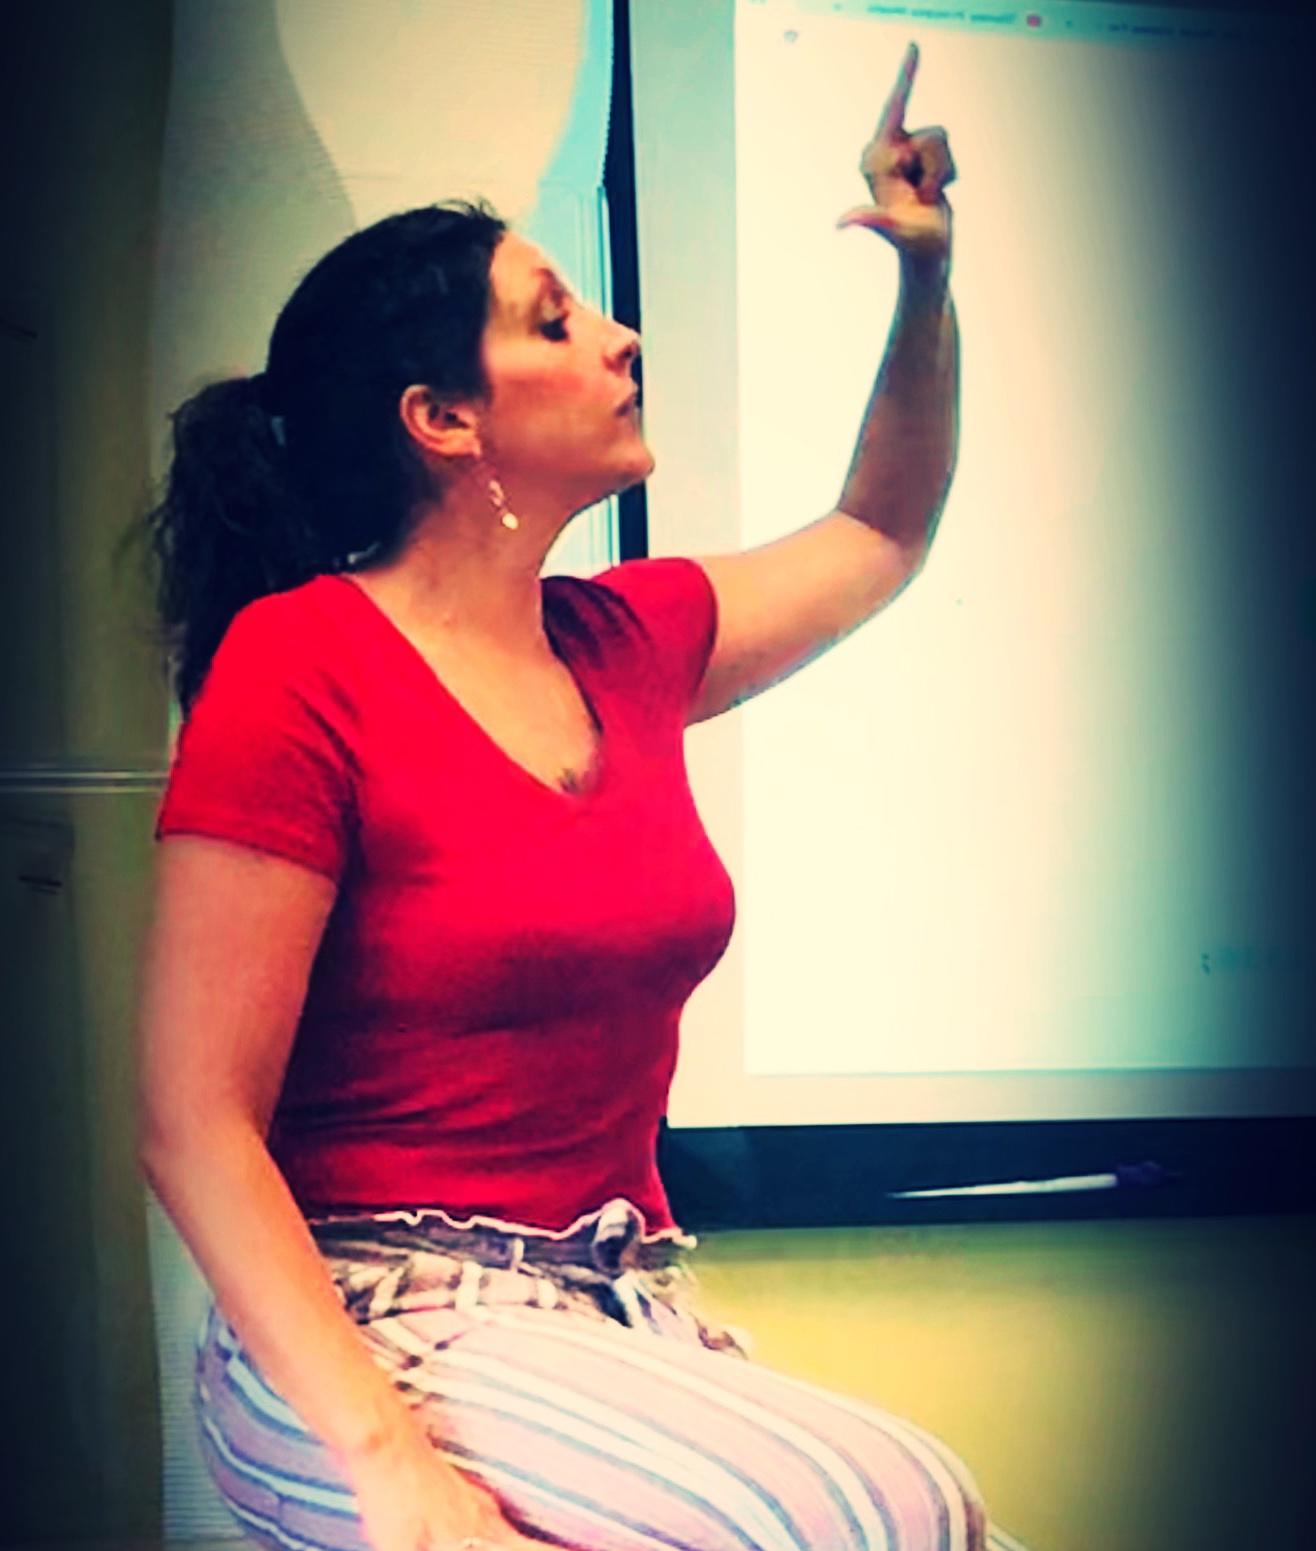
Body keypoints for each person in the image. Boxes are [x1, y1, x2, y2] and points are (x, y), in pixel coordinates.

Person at [134, 42, 1027, 1551]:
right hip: (360, 1330)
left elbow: (880, 530)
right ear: (444, 419)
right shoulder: (299, 665)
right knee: (887, 1504)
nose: (621, 339)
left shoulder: (629, 639)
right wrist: (393, 1469)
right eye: (556, 321)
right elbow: (191, 1120)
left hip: (599, 1311)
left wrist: (923, 280)